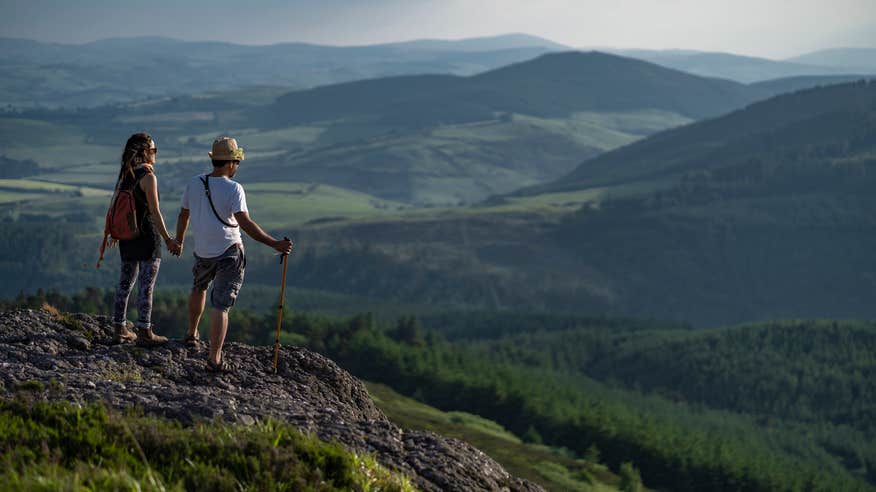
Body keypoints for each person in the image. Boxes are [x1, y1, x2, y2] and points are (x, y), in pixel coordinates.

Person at [173, 137, 292, 372]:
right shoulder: (234, 188)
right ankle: (214, 359)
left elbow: (183, 215)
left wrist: (179, 240)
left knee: (199, 288)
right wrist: (274, 244)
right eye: (237, 161)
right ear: (230, 163)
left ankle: (191, 332)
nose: (237, 165)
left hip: (203, 251)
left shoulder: (194, 183)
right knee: (221, 305)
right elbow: (245, 223)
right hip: (229, 251)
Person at [111, 132, 179, 345]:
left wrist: (115, 232)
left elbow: (116, 207)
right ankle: (144, 331)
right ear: (144, 152)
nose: (155, 154)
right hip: (148, 237)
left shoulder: (127, 174)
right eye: (153, 150)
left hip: (128, 237)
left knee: (125, 283)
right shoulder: (149, 177)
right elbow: (155, 212)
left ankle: (119, 327)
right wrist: (168, 239)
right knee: (146, 285)